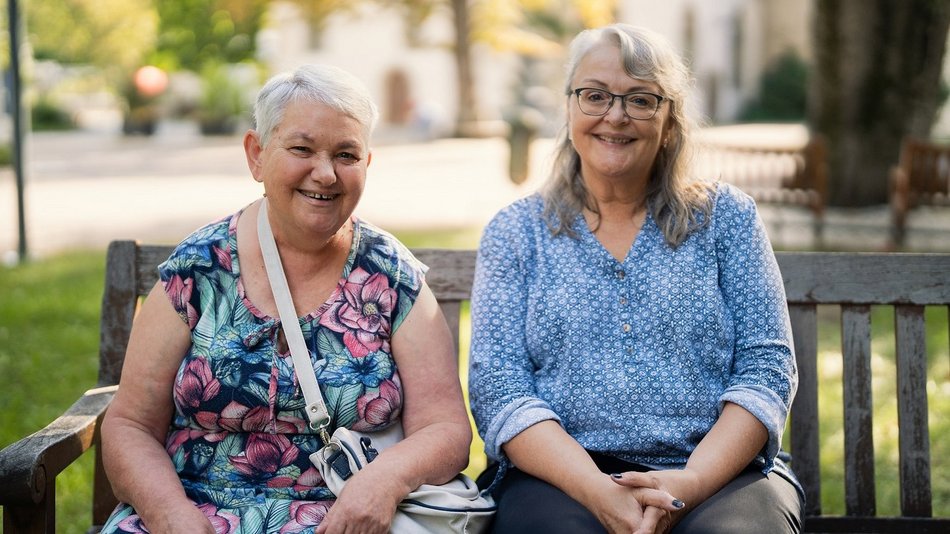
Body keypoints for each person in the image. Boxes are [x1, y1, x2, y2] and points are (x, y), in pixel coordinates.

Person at [99, 64, 472, 534]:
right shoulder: (198, 268)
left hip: (344, 514)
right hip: (192, 510)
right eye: (301, 149)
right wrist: (170, 516)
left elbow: (445, 429)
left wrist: (382, 484)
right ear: (257, 155)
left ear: (367, 165)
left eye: (346, 155)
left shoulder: (391, 277)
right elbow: (130, 424)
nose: (325, 173)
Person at [469, 23, 803, 534]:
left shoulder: (726, 218)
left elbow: (766, 367)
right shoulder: (517, 233)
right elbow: (500, 387)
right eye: (595, 95)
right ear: (569, 107)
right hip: (560, 478)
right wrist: (598, 491)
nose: (616, 115)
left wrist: (689, 483)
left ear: (670, 119)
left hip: (717, 472)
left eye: (641, 99)